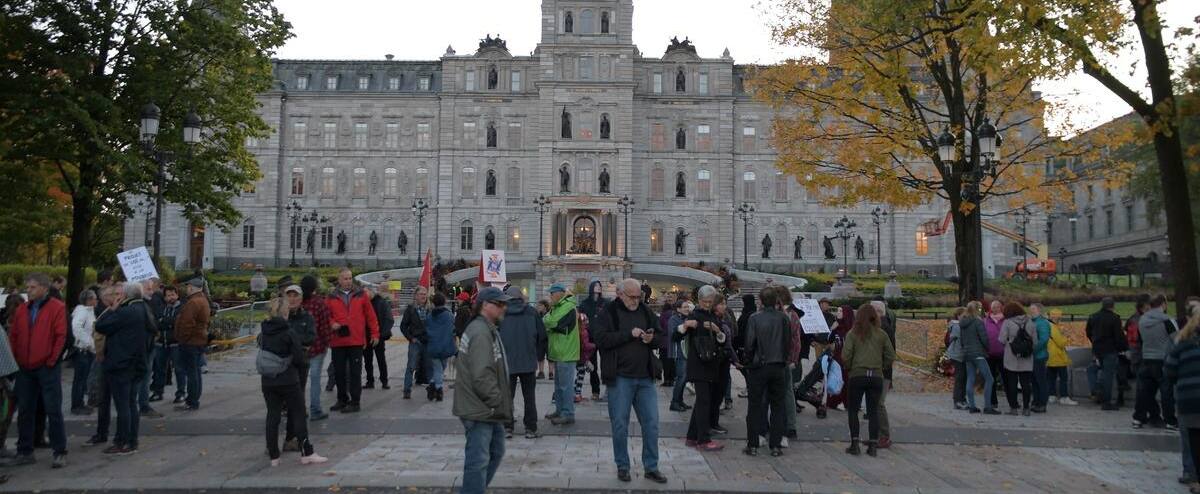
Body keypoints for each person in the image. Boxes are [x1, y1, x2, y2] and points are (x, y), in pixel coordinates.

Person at [591, 279, 669, 484]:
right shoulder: (608, 312)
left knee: (652, 424)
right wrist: (628, 334)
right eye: (632, 297)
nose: (636, 301)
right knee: (619, 425)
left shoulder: (645, 311)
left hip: (645, 378)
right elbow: (599, 339)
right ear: (620, 294)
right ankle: (623, 466)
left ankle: (651, 467)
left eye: (638, 297)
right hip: (619, 378)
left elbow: (662, 337)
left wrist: (652, 339)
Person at [452, 287, 514, 494]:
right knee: (478, 460)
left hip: (486, 407)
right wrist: (497, 401)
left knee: (496, 451)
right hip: (481, 407)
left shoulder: (486, 328)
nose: (504, 308)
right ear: (485, 306)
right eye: (499, 304)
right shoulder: (480, 331)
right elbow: (481, 374)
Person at [3, 273, 68, 468]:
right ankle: (25, 450)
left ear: (44, 288)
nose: (28, 291)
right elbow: (14, 336)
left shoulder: (57, 307)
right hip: (26, 366)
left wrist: (52, 360)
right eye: (28, 287)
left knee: (53, 409)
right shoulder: (23, 309)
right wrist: (16, 360)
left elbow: (61, 336)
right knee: (25, 410)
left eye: (32, 287)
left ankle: (60, 450)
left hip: (46, 366)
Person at [257, 297, 327, 467]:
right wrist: (304, 361)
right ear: (285, 313)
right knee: (298, 413)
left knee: (272, 415)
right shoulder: (288, 332)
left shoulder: (263, 332)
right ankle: (307, 452)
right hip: (288, 380)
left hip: (268, 380)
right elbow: (298, 358)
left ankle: (274, 455)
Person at [94, 281, 154, 457]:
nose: (117, 297)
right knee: (131, 404)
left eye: (120, 294)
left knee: (123, 405)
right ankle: (132, 440)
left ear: (126, 295)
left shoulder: (126, 312)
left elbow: (100, 325)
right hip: (137, 363)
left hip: (122, 364)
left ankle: (123, 441)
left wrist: (112, 309)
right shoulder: (143, 308)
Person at [741, 286, 791, 457]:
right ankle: (775, 445)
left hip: (759, 366)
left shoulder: (755, 318)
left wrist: (748, 360)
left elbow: (749, 343)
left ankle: (753, 444)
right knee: (778, 406)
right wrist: (783, 360)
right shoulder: (783, 318)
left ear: (760, 301)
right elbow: (787, 343)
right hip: (778, 365)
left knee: (755, 406)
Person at [842, 303, 895, 457]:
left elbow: (846, 356)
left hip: (857, 375)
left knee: (853, 410)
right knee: (873, 411)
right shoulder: (881, 334)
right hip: (876, 376)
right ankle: (872, 445)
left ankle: (854, 443)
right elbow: (890, 355)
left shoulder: (853, 334)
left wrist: (850, 367)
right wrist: (881, 366)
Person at [680, 285, 727, 452]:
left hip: (710, 364)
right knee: (704, 401)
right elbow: (676, 335)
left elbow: (722, 340)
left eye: (710, 302)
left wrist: (717, 331)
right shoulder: (695, 316)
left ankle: (692, 437)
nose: (708, 304)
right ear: (699, 301)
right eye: (705, 302)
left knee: (702, 401)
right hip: (698, 365)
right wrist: (685, 326)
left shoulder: (713, 317)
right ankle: (703, 439)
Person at [325, 269, 380, 414]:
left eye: (350, 278)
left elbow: (371, 316)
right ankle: (342, 399)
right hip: (338, 340)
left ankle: (355, 401)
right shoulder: (331, 297)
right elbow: (326, 315)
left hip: (356, 340)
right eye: (345, 278)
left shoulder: (361, 295)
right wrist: (332, 323)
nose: (348, 281)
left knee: (355, 373)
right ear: (339, 280)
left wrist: (375, 334)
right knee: (339, 372)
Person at [498, 287, 546, 438]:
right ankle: (530, 428)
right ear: (521, 297)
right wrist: (538, 355)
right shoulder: (532, 312)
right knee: (529, 397)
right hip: (528, 361)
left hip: (507, 362)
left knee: (507, 397)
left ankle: (507, 427)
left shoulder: (501, 313)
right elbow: (542, 336)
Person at [1164, 303, 1200, 494]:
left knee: (1191, 437)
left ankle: (1192, 474)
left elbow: (1169, 370)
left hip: (1188, 396)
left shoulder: (1180, 342)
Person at [1134, 294, 1178, 429]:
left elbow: (1140, 340)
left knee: (1144, 392)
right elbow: (1177, 339)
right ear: (1163, 304)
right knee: (1166, 392)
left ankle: (1138, 418)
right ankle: (1170, 421)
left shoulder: (1142, 320)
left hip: (1146, 359)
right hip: (1163, 360)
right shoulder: (1167, 320)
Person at [281, 285, 316, 452]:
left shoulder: (307, 317)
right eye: (289, 296)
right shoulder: (280, 317)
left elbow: (310, 337)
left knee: (297, 401)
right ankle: (273, 442)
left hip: (300, 364)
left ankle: (291, 437)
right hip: (281, 365)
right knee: (278, 404)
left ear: (301, 298)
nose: (292, 299)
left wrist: (290, 341)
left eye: (295, 296)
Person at [543, 284, 579, 426]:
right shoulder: (557, 307)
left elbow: (553, 322)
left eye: (552, 293)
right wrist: (549, 323)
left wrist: (549, 323)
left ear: (560, 293)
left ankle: (568, 413)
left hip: (566, 352)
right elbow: (546, 320)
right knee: (558, 386)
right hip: (558, 351)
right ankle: (559, 410)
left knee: (566, 386)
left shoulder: (568, 306)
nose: (550, 296)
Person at [173, 278, 211, 412]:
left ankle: (192, 400)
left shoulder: (193, 302)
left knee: (192, 372)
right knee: (196, 371)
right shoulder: (202, 300)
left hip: (191, 342)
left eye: (188, 286)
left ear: (193, 287)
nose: (187, 289)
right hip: (199, 340)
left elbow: (186, 323)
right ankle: (194, 398)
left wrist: (182, 338)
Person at [300, 276, 333, 421]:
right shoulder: (319, 303)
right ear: (315, 287)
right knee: (315, 379)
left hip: (299, 349)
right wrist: (326, 344)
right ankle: (315, 410)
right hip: (317, 347)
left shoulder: (298, 302)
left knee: (299, 380)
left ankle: (298, 409)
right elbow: (326, 326)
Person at [1086, 298, 1127, 410]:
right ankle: (1106, 401)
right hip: (1110, 350)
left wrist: (1094, 342)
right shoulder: (1115, 318)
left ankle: (1096, 390)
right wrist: (1123, 348)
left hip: (1097, 349)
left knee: (1095, 369)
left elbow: (1088, 332)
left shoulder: (1093, 317)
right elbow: (1119, 336)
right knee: (1108, 375)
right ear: (1113, 306)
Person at [960, 301, 1000, 414]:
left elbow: (962, 340)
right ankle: (988, 406)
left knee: (970, 378)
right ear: (977, 309)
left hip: (967, 353)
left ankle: (972, 406)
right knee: (989, 378)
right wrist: (987, 348)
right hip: (978, 353)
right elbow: (984, 338)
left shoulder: (963, 322)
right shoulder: (978, 321)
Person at [999, 302, 1037, 416]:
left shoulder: (1007, 322)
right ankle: (1026, 408)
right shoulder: (1030, 322)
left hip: (1011, 357)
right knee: (1026, 384)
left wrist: (1009, 343)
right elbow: (1035, 341)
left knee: (1012, 383)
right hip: (1026, 357)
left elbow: (1001, 339)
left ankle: (1014, 408)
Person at [869, 300, 896, 448]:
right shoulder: (882, 326)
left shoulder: (883, 328)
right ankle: (877, 435)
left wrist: (880, 367)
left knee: (879, 404)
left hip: (882, 372)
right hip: (881, 371)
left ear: (878, 312)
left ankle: (884, 436)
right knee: (875, 403)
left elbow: (889, 354)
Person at [137, 278, 165, 418]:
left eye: (152, 288)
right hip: (142, 346)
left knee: (146, 375)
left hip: (149, 344)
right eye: (148, 289)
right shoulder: (138, 306)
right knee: (142, 375)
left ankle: (142, 403)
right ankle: (141, 404)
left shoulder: (151, 301)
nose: (152, 291)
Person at [155, 285, 185, 405]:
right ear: (164, 297)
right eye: (168, 295)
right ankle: (158, 392)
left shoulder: (182, 308)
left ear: (177, 295)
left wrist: (165, 321)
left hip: (176, 344)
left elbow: (179, 322)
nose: (171, 297)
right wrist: (169, 322)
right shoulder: (160, 308)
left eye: (173, 294)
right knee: (159, 369)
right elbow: (157, 323)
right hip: (161, 343)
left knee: (179, 369)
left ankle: (181, 393)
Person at [424, 293, 457, 402]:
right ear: (444, 302)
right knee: (440, 369)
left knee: (439, 369)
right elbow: (452, 329)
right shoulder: (449, 315)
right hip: (445, 347)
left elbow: (427, 330)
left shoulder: (429, 316)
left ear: (433, 303)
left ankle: (432, 386)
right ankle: (439, 389)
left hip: (433, 347)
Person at [70, 289, 98, 415]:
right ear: (88, 300)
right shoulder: (82, 311)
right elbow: (76, 327)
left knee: (82, 378)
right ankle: (76, 405)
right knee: (80, 379)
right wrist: (89, 342)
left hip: (87, 349)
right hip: (82, 349)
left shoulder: (88, 311)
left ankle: (79, 403)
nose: (96, 300)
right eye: (94, 298)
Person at [577, 281, 606, 400]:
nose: (598, 287)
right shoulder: (585, 303)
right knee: (592, 365)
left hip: (603, 337)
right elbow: (582, 319)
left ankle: (609, 390)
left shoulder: (605, 303)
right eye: (596, 285)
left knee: (605, 363)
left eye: (599, 286)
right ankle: (595, 391)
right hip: (590, 338)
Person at [399, 286, 429, 400]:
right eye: (421, 294)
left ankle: (432, 390)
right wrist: (411, 338)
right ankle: (407, 389)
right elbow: (403, 326)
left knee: (429, 366)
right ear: (416, 296)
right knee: (411, 366)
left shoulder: (429, 309)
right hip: (415, 342)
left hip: (427, 342)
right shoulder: (410, 309)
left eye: (425, 294)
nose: (423, 296)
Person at [362, 285, 394, 390]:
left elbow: (389, 319)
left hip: (379, 336)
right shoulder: (363, 303)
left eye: (365, 292)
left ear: (371, 292)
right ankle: (370, 381)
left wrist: (382, 334)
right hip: (366, 336)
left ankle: (384, 381)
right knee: (367, 360)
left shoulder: (381, 302)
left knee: (381, 359)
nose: (363, 295)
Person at [1044, 309, 1077, 406]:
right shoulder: (1053, 327)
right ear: (1055, 317)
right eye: (1059, 317)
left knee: (1051, 377)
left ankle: (1052, 395)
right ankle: (1064, 397)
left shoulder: (1047, 325)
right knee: (1063, 378)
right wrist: (1066, 336)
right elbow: (1061, 343)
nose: (1060, 319)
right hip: (1058, 356)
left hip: (1050, 356)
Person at [668, 302, 694, 412]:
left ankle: (680, 400)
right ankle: (674, 402)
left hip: (687, 352)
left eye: (688, 307)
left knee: (684, 378)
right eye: (685, 307)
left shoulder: (688, 318)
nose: (687, 309)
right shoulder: (674, 319)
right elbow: (674, 335)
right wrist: (685, 326)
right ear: (678, 309)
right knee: (681, 378)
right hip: (679, 352)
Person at [984, 300, 1006, 410]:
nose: (996, 308)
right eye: (993, 307)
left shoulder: (1006, 320)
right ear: (990, 308)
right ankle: (993, 402)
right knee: (990, 378)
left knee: (1006, 378)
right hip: (989, 354)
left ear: (1001, 307)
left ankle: (1012, 401)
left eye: (998, 306)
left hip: (1004, 354)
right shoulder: (986, 320)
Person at [1030, 304, 1052, 413]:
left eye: (1033, 309)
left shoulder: (1043, 323)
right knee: (1034, 381)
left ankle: (1042, 403)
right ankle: (1036, 401)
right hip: (1032, 357)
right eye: (1030, 309)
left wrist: (1032, 350)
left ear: (1039, 310)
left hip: (1039, 356)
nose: (1031, 311)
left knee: (1041, 381)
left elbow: (1043, 340)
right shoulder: (1031, 322)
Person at [945, 308, 967, 410]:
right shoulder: (957, 326)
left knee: (963, 377)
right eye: (963, 315)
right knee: (960, 377)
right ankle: (958, 400)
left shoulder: (959, 326)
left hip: (960, 354)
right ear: (958, 316)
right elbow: (956, 339)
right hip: (957, 354)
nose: (965, 317)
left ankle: (961, 398)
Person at [657, 294, 677, 387]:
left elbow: (660, 328)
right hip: (673, 341)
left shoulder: (663, 315)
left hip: (664, 342)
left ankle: (667, 380)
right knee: (672, 361)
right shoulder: (674, 314)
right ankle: (672, 379)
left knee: (665, 362)